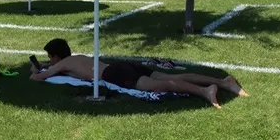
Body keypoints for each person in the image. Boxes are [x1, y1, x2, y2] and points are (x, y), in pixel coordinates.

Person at [30, 39, 248, 109]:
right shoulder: (77, 57)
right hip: (122, 67)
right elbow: (54, 68)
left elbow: (38, 78)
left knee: (163, 85)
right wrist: (43, 65)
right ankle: (223, 81)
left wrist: (35, 70)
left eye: (50, 57)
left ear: (57, 57)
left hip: (114, 75)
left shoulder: (62, 64)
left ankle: (205, 92)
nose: (50, 62)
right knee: (169, 78)